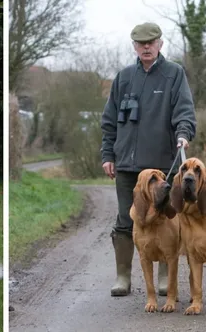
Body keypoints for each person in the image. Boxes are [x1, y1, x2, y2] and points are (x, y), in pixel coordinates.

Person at [100, 22, 197, 297]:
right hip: (126, 166)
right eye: (141, 43)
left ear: (160, 44)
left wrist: (183, 134)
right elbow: (109, 123)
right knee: (125, 219)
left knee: (167, 218)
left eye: (151, 42)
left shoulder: (174, 74)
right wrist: (108, 154)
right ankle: (122, 277)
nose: (146, 47)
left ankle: (165, 277)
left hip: (162, 167)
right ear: (134, 46)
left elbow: (185, 113)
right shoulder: (124, 77)